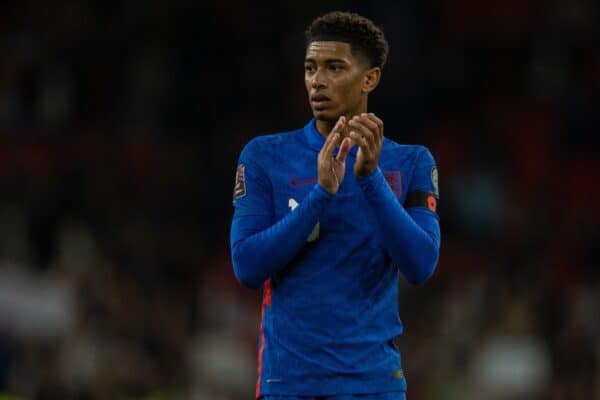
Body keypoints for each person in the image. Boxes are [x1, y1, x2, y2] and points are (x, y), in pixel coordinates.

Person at [230, 11, 440, 400]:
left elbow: (421, 264)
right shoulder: (264, 157)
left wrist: (370, 180)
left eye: (334, 67)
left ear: (370, 78)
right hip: (289, 384)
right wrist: (320, 195)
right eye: (310, 68)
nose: (317, 81)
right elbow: (246, 265)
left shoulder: (410, 163)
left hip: (372, 385)